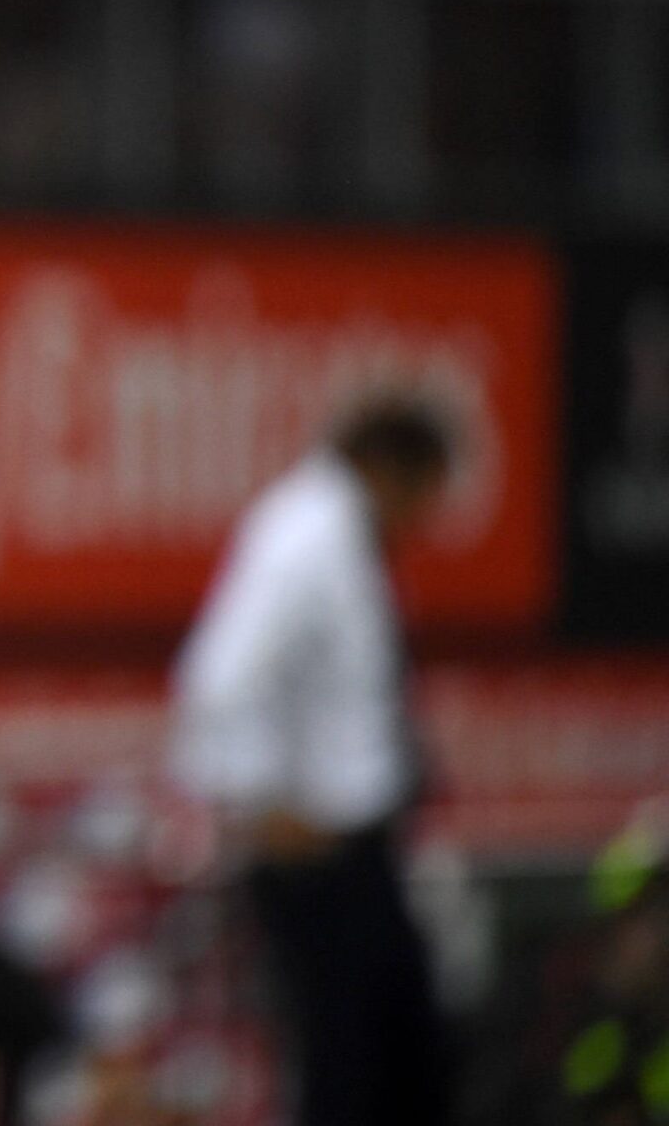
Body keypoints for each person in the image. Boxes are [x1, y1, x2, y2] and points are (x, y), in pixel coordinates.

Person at [168, 398, 455, 1126]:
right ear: (390, 469)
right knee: (347, 1060)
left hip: (353, 845)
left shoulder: (340, 534)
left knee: (397, 1050)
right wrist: (263, 806)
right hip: (318, 855)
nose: (422, 521)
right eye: (424, 494)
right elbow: (220, 678)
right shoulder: (306, 535)